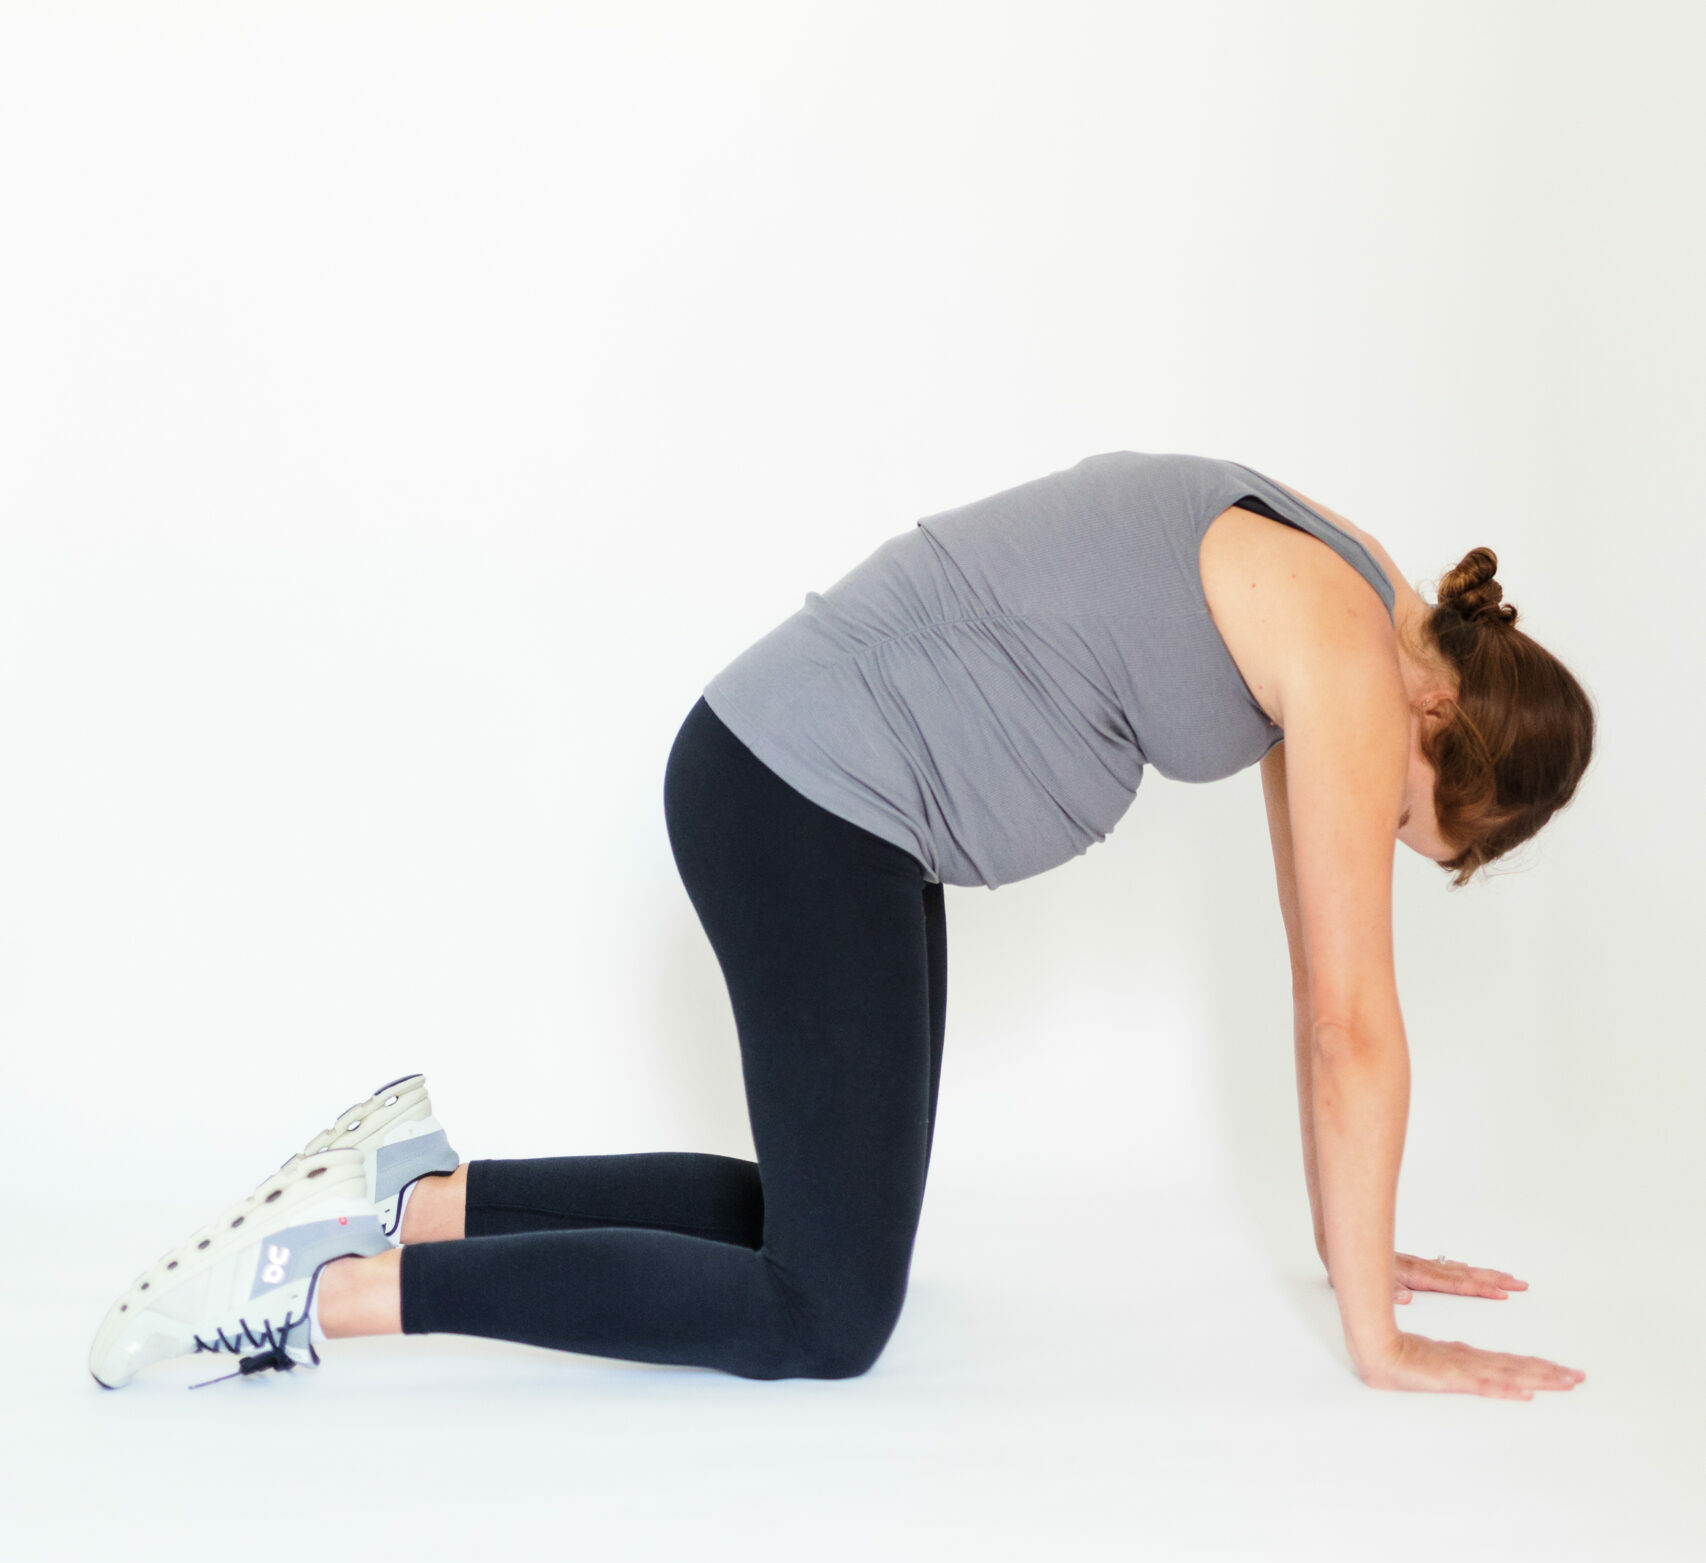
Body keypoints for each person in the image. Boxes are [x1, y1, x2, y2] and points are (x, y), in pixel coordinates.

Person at [88, 451, 1595, 1399]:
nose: (1373, 838)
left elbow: (1319, 991)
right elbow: (1348, 1017)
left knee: (820, 1227)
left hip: (827, 810)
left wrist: (1359, 1251)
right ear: (1439, 711)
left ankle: (397, 1190)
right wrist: (1380, 1344)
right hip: (806, 805)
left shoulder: (1350, 592)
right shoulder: (1344, 655)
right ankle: (325, 1293)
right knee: (823, 1313)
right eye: (1410, 818)